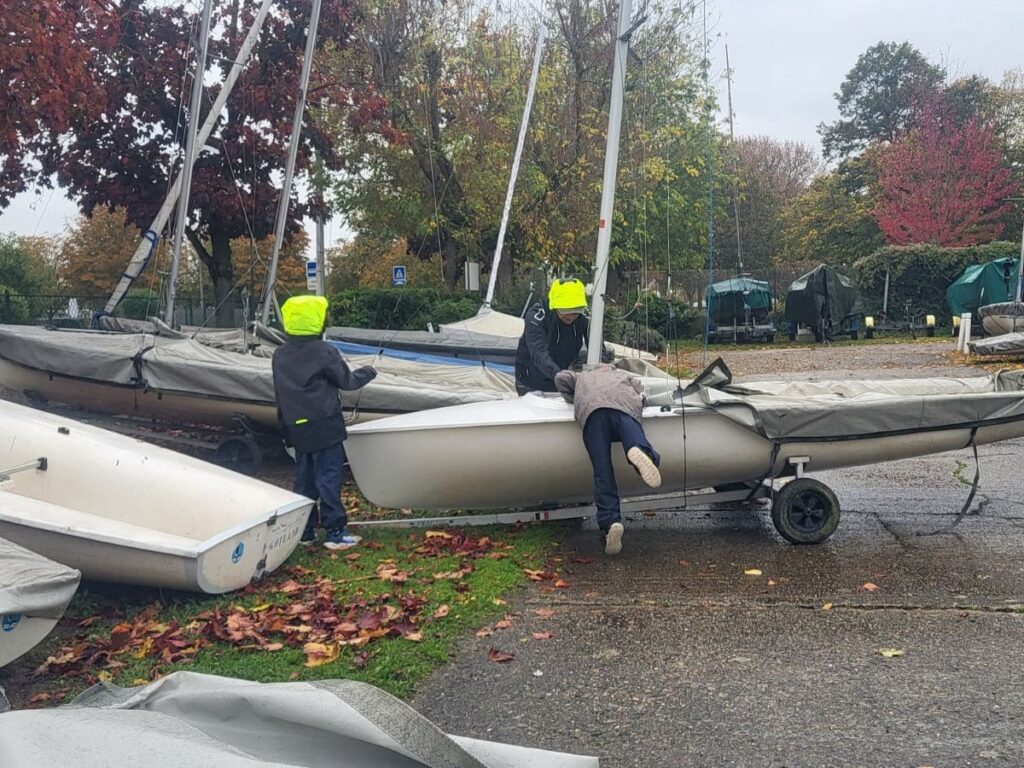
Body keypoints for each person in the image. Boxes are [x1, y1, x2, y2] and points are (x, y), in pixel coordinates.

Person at [272, 295, 377, 550]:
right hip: (325, 424)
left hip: (296, 426)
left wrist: (285, 428)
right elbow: (347, 382)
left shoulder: (280, 354)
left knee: (303, 478)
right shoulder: (325, 352)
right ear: (318, 322)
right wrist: (369, 372)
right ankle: (335, 532)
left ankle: (304, 531)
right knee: (328, 476)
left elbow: (279, 394)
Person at [555, 363, 661, 556]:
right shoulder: (621, 375)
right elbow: (639, 389)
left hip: (593, 411)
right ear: (610, 366)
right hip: (623, 406)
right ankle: (639, 451)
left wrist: (574, 396)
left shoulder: (580, 376)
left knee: (603, 472)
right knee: (636, 440)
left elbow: (560, 378)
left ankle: (611, 522)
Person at [514, 279, 591, 395]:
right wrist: (561, 376)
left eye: (575, 312)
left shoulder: (584, 318)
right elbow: (539, 354)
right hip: (530, 381)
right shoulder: (537, 316)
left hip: (563, 377)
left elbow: (598, 348)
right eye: (565, 311)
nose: (570, 316)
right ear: (554, 305)